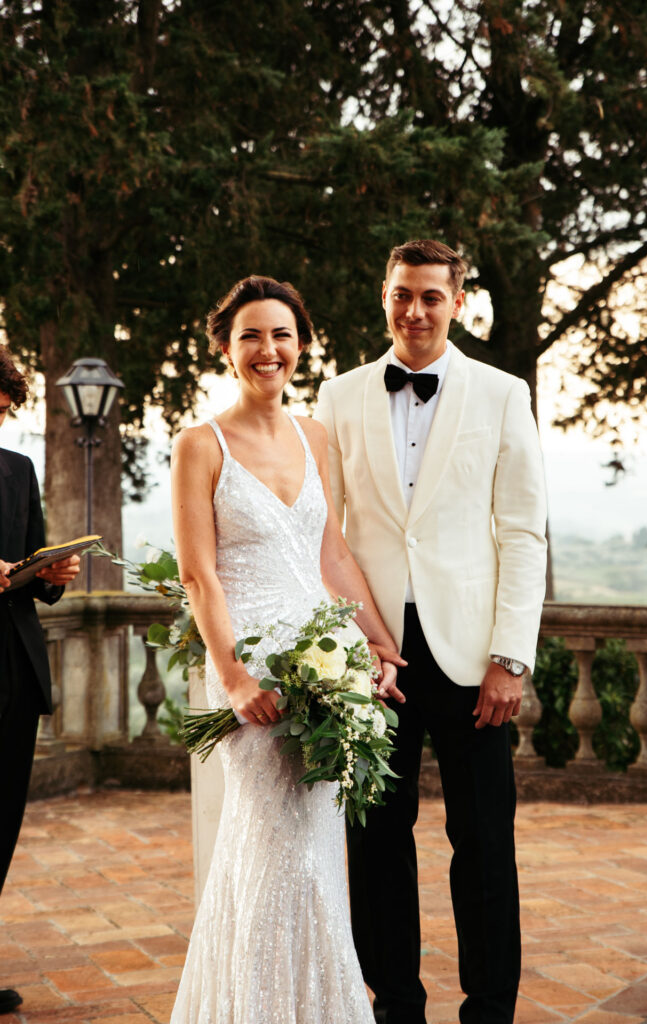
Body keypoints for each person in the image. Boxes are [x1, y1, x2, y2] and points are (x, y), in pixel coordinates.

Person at [314, 239, 548, 1024]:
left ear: (457, 302)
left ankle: (489, 1009)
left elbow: (523, 532)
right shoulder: (340, 397)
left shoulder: (502, 394)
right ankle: (396, 1007)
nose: (415, 311)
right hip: (370, 657)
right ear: (384, 295)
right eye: (402, 294)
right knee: (377, 841)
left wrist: (510, 658)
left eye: (431, 297)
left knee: (484, 841)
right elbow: (326, 533)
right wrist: (350, 645)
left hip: (474, 655)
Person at [169, 275, 405, 1024]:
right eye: (250, 336)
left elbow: (330, 551)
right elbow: (197, 573)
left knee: (314, 860)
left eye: (281, 335)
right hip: (253, 673)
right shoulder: (198, 446)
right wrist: (233, 677)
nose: (267, 349)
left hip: (323, 665)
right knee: (271, 854)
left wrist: (376, 641)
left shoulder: (317, 434)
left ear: (301, 343)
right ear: (226, 349)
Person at [0, 348, 81, 1017]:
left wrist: (50, 576)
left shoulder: (19, 470)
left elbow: (32, 564)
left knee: (1, 825)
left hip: (14, 671)